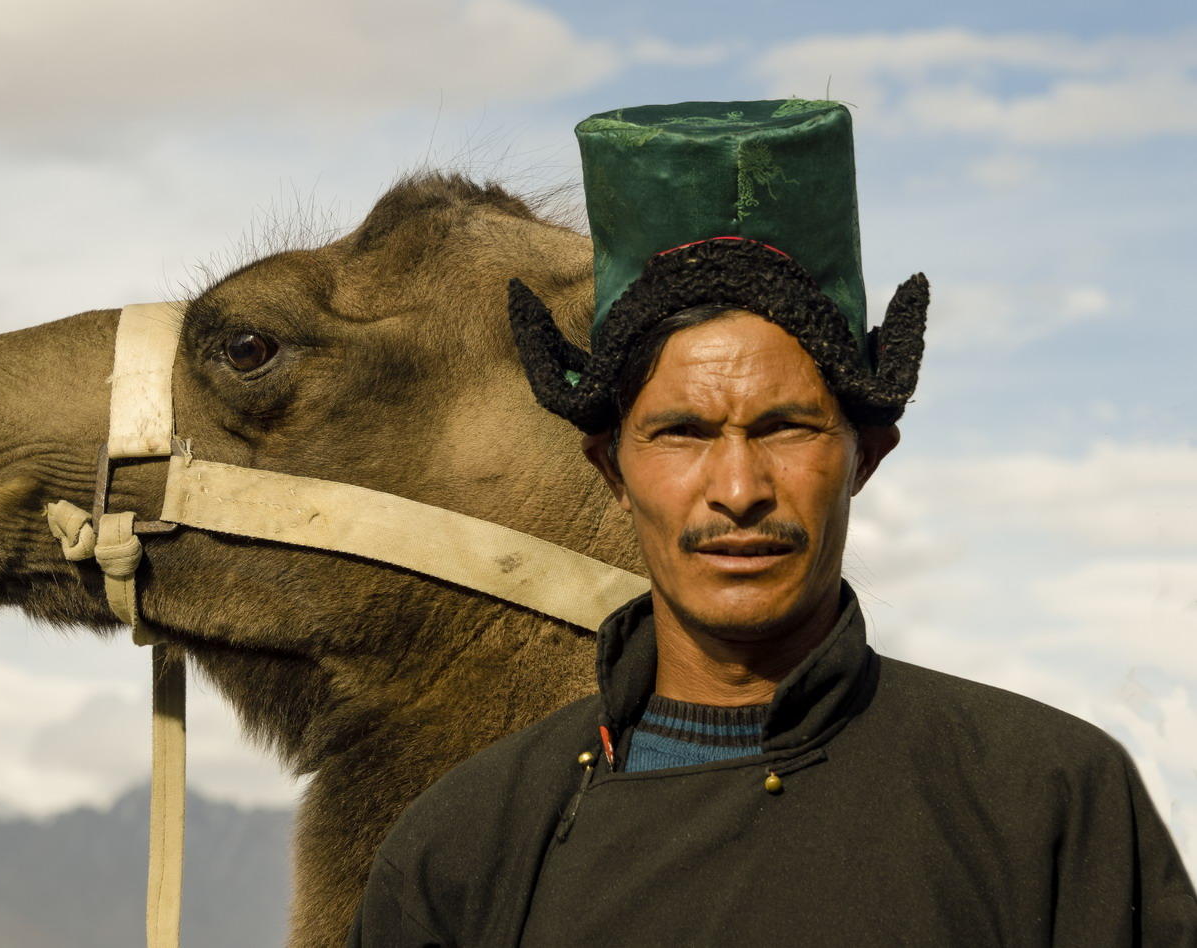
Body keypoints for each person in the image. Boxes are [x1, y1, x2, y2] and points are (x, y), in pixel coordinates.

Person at [348, 100, 1197, 946]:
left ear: (866, 454)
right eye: (682, 432)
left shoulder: (1046, 800)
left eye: (786, 427)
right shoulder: (461, 849)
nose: (738, 487)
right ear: (612, 468)